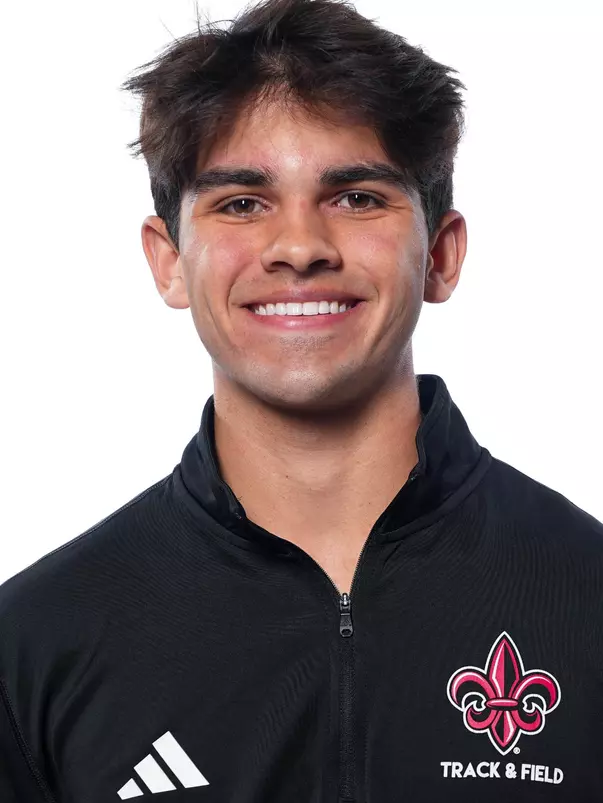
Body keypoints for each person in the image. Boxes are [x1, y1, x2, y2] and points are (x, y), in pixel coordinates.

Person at [1, 0, 602, 799]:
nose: (298, 248)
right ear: (169, 260)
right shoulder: (38, 641)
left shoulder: (585, 593)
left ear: (441, 255)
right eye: (241, 202)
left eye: (356, 197)